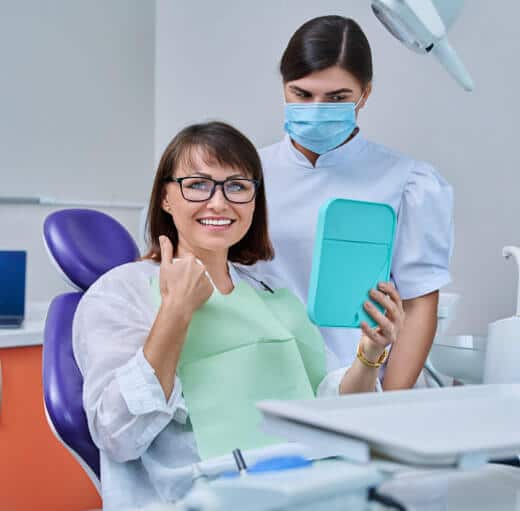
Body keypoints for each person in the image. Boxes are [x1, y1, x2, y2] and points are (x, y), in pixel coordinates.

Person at [73, 121, 404, 510]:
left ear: (254, 200)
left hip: (311, 485)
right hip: (205, 496)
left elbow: (332, 414)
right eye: (197, 184)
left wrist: (370, 352)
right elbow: (118, 434)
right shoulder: (121, 292)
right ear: (166, 197)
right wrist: (175, 313)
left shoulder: (271, 293)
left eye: (237, 186)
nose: (219, 202)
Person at [252, 15, 453, 390]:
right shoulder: (247, 174)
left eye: (337, 98)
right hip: (263, 377)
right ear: (283, 87)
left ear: (365, 94)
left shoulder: (408, 182)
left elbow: (419, 301)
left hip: (358, 379)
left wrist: (389, 404)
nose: (316, 109)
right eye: (302, 94)